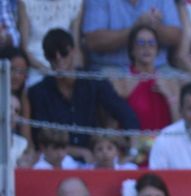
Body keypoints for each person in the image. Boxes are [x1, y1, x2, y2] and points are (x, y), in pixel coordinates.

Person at [27, 28, 139, 159]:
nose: (58, 58)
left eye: (63, 52)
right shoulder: (39, 92)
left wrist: (133, 151)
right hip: (57, 160)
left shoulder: (93, 81)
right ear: (46, 57)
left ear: (73, 51)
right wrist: (80, 152)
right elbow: (42, 137)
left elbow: (125, 113)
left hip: (94, 158)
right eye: (52, 54)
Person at [113, 23, 183, 135]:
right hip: (133, 143)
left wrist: (169, 97)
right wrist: (124, 97)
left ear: (157, 50)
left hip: (163, 142)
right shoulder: (121, 82)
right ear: (132, 50)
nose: (147, 47)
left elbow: (179, 127)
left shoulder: (170, 82)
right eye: (141, 43)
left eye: (151, 43)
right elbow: (112, 128)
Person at [81, 0, 180, 72]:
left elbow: (176, 37)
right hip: (112, 68)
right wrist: (136, 28)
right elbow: (93, 41)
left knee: (183, 84)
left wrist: (154, 26)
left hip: (157, 68)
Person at [19, 0, 84, 72]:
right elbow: (24, 49)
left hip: (65, 62)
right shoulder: (26, 2)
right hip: (34, 64)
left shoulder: (76, 2)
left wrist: (76, 73)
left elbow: (75, 46)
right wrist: (48, 71)